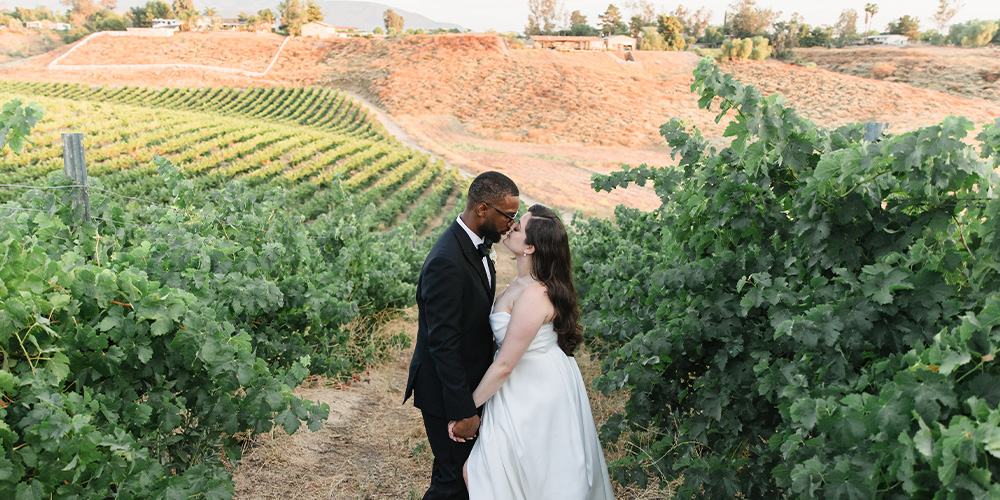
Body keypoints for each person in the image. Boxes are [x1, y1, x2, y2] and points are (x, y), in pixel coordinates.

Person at [450, 205, 615, 499]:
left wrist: (466, 409)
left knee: (514, 476)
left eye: (518, 227)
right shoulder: (521, 282)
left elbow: (504, 365)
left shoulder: (535, 294)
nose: (510, 227)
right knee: (492, 475)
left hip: (533, 394)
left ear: (530, 247)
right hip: (518, 387)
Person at [404, 171, 520, 500]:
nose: (511, 224)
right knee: (453, 482)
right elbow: (443, 344)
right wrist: (463, 411)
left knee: (463, 478)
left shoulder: (474, 246)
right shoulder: (447, 261)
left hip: (469, 384)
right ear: (483, 209)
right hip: (447, 393)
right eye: (508, 215)